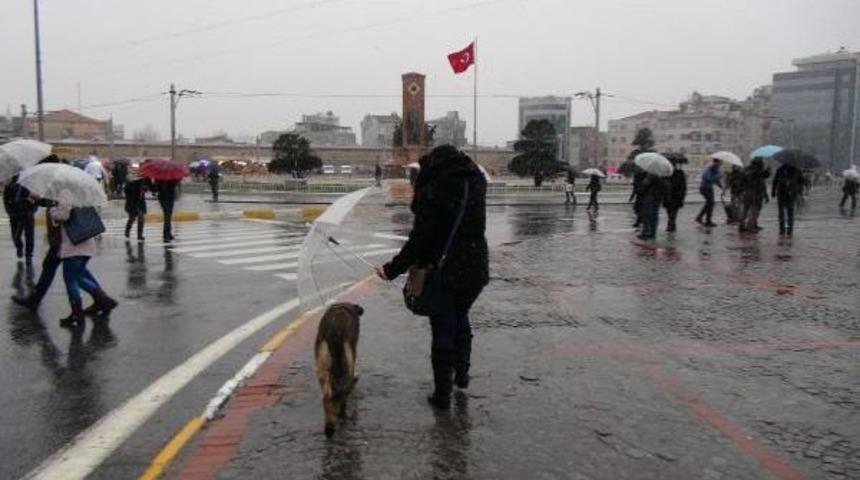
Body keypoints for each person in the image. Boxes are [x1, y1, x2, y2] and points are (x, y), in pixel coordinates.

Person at [376, 145, 489, 411]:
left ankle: (442, 394)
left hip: (445, 269)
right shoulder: (475, 183)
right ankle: (462, 375)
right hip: (475, 266)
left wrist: (391, 269)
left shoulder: (434, 189)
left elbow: (420, 240)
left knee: (443, 326)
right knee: (460, 316)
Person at [49, 204, 117, 327]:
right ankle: (102, 300)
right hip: (86, 242)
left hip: (74, 246)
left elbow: (63, 215)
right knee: (78, 277)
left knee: (71, 280)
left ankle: (79, 312)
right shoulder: (84, 197)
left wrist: (52, 210)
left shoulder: (67, 196)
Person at [3, 175, 37, 266]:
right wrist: (10, 211)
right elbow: (6, 200)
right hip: (15, 215)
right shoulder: (10, 186)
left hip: (27, 214)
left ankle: (29, 255)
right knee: (15, 236)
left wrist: (32, 208)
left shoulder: (30, 186)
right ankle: (19, 247)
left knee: (29, 236)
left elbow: (36, 201)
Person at [772, 163, 804, 236]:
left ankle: (785, 229)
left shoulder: (781, 170)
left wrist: (773, 191)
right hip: (786, 193)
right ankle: (787, 229)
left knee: (786, 212)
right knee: (788, 212)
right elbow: (801, 182)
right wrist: (799, 190)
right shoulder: (796, 170)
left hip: (787, 193)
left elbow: (775, 181)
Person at [738, 158, 769, 232]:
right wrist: (768, 170)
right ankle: (751, 226)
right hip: (756, 193)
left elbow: (741, 182)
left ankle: (741, 225)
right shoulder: (758, 170)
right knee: (755, 210)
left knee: (745, 209)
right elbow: (764, 177)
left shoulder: (746, 170)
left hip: (746, 192)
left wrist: (739, 192)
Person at [662, 154, 687, 232]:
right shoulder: (667, 173)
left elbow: (683, 186)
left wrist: (682, 195)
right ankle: (672, 224)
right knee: (671, 211)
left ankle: (671, 224)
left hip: (675, 196)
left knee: (673, 211)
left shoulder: (678, 173)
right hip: (669, 195)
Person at [695, 159, 723, 227]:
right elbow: (707, 178)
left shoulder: (716, 170)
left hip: (709, 188)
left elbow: (716, 181)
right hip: (705, 188)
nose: (720, 164)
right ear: (715, 162)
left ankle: (702, 218)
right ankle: (706, 220)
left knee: (710, 204)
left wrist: (722, 187)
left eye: (721, 163)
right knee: (710, 203)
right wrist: (718, 176)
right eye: (719, 162)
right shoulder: (709, 169)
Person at [637, 172, 665, 240]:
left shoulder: (651, 175)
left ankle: (646, 232)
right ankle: (653, 232)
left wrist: (640, 188)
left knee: (647, 215)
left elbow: (644, 186)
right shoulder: (662, 176)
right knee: (654, 215)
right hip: (658, 197)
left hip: (649, 197)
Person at [124, 176, 149, 241]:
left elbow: (147, 188)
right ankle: (127, 230)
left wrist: (145, 189)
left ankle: (139, 235)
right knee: (132, 218)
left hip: (140, 203)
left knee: (141, 218)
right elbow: (128, 193)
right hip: (132, 203)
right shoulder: (130, 185)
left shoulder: (144, 182)